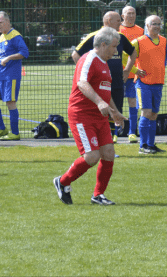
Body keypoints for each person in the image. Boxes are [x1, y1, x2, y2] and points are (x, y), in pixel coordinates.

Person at [53, 27, 127, 205]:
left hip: (99, 116)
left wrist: (115, 112)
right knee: (92, 156)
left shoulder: (104, 62)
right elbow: (82, 83)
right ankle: (62, 182)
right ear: (103, 44)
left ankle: (98, 195)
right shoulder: (88, 59)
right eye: (114, 47)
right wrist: (99, 102)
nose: (116, 51)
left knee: (109, 153)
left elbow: (105, 93)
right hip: (82, 115)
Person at [73, 11, 136, 143]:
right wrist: (85, 71)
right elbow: (76, 54)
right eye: (118, 20)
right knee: (101, 111)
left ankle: (112, 139)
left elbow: (133, 52)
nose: (121, 22)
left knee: (115, 110)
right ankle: (100, 141)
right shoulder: (96, 37)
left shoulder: (120, 37)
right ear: (108, 21)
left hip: (117, 81)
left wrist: (127, 71)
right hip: (98, 84)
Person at [131, 15, 167, 154]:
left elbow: (164, 57)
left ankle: (151, 145)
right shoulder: (138, 41)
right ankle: (143, 146)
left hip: (158, 83)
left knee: (153, 115)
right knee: (146, 113)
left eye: (159, 23)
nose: (157, 26)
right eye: (154, 24)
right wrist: (135, 70)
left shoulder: (164, 41)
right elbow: (124, 56)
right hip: (143, 83)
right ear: (147, 26)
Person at [0, 11, 29, 141]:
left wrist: (8, 58)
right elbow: (2, 56)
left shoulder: (15, 35)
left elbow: (24, 53)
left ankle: (15, 133)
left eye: (0, 22)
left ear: (8, 22)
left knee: (10, 102)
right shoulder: (2, 37)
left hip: (11, 75)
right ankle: (2, 129)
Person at [119, 5, 144, 143]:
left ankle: (132, 132)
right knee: (115, 104)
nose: (131, 15)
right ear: (122, 16)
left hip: (133, 75)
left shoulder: (141, 30)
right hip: (118, 73)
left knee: (133, 103)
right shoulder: (117, 30)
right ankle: (115, 132)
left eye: (133, 13)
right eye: (128, 13)